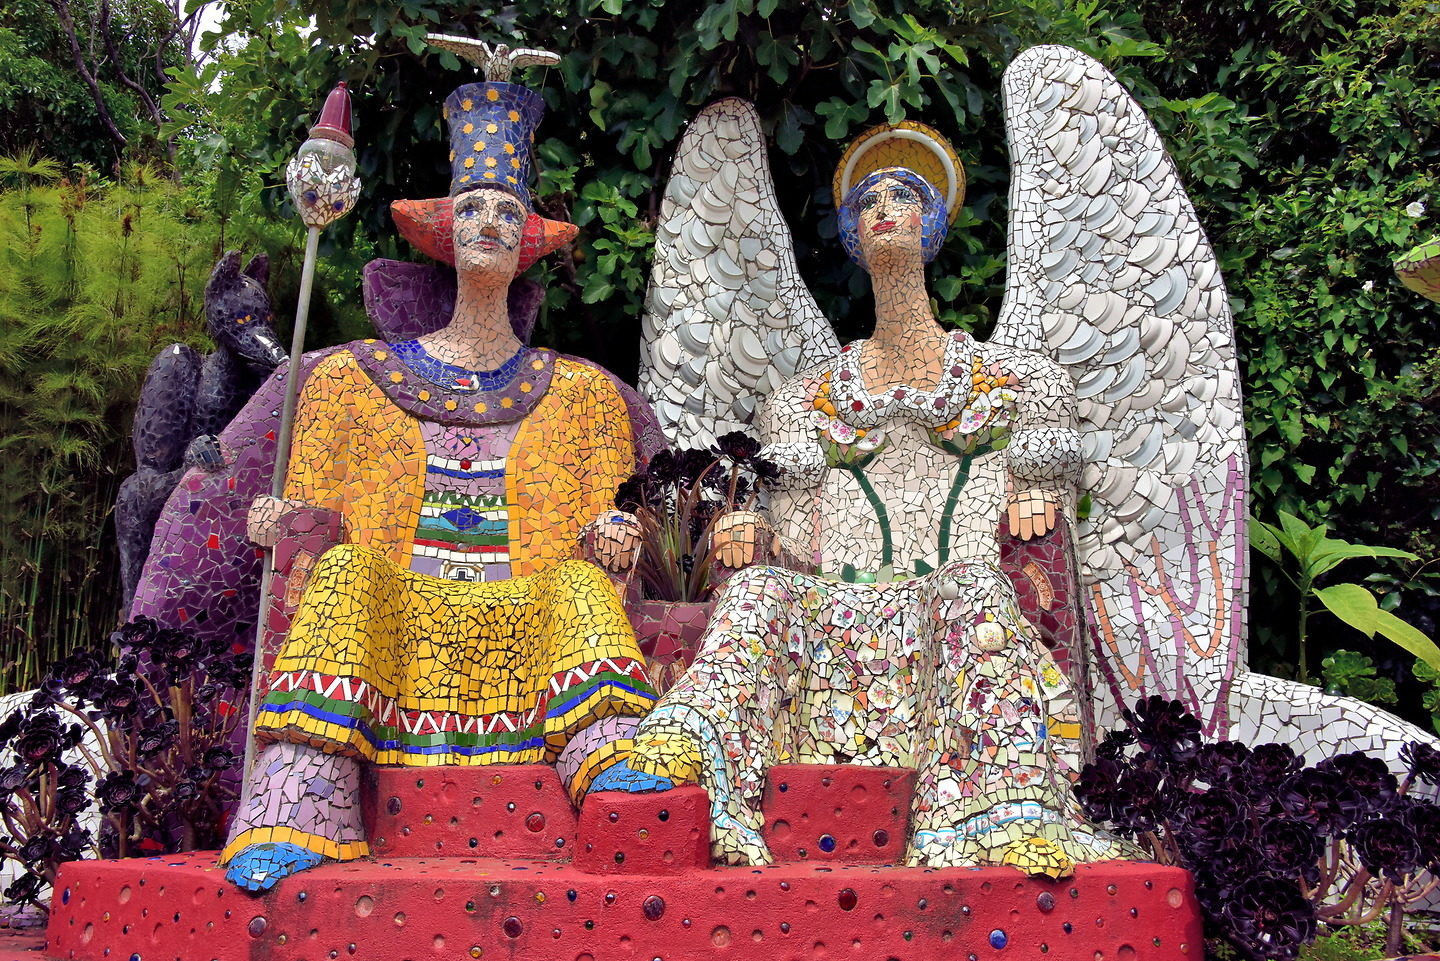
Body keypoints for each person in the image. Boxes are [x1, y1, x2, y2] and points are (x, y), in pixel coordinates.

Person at [620, 122, 1134, 875]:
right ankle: (694, 746)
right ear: (851, 232)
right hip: (841, 616)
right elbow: (795, 538)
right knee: (757, 591)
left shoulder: (1017, 383)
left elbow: (1045, 485)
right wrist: (751, 528)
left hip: (958, 610)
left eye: (905, 195)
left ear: (934, 222)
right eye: (868, 201)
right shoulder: (805, 399)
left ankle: (996, 814)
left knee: (972, 589)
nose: (886, 208)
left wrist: (1033, 489)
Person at [221, 70, 666, 892]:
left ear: (526, 237)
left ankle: (605, 757)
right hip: (394, 617)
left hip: (528, 619)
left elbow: (608, 523)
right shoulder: (352, 380)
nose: (489, 221)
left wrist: (613, 533)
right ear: (445, 230)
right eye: (472, 207)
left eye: (507, 210)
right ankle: (300, 800)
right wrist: (280, 518)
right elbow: (308, 514)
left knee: (578, 586)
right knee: (348, 573)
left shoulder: (582, 394)